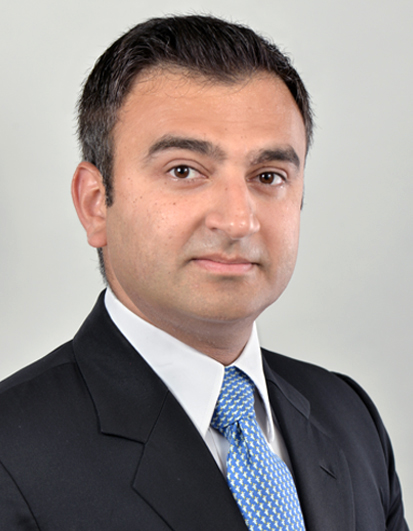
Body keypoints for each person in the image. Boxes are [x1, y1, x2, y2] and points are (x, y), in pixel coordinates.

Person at [0, 14, 408, 531]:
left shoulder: (349, 417)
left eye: (268, 176)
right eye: (184, 171)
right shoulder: (11, 455)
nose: (238, 221)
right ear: (96, 203)